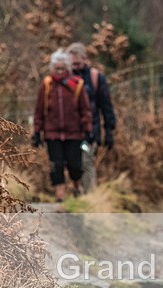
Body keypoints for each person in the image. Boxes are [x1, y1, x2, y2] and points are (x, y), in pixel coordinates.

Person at [32, 49, 92, 202]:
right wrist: (37, 131)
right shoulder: (47, 85)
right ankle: (60, 197)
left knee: (74, 165)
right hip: (52, 133)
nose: (59, 71)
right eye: (56, 68)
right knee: (56, 165)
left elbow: (84, 109)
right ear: (52, 69)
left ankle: (77, 186)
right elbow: (39, 110)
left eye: (62, 68)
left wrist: (88, 129)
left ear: (68, 69)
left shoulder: (76, 85)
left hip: (74, 133)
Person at [67, 42, 117, 192]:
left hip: (91, 130)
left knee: (86, 161)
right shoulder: (64, 79)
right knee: (73, 164)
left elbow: (106, 106)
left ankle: (91, 197)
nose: (75, 66)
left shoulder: (96, 78)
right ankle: (77, 191)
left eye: (77, 63)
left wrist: (109, 130)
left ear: (85, 59)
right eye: (72, 63)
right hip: (70, 131)